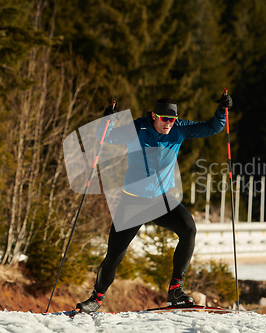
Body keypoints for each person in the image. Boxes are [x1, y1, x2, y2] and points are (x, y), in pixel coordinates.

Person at [76, 93, 233, 313]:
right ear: (154, 116)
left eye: (172, 119)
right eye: (164, 118)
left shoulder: (179, 128)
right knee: (114, 255)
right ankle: (96, 298)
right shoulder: (137, 129)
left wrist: (222, 111)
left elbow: (212, 127)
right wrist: (107, 121)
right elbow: (108, 137)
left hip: (161, 201)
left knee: (188, 229)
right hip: (133, 202)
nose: (169, 123)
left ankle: (176, 291)